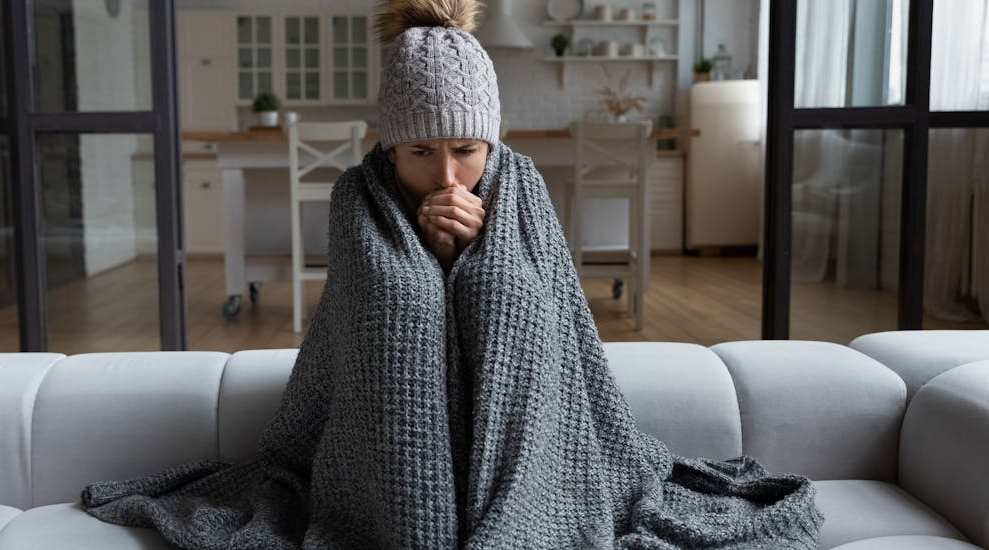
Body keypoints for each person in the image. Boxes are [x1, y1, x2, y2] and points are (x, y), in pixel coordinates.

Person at [81, 1, 823, 548]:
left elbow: (548, 323)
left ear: (490, 141)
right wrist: (429, 260)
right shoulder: (357, 198)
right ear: (389, 150)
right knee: (402, 300)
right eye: (419, 153)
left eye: (466, 149)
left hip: (533, 438)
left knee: (504, 293)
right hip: (377, 459)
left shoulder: (520, 185)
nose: (446, 173)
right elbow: (374, 321)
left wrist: (472, 263)